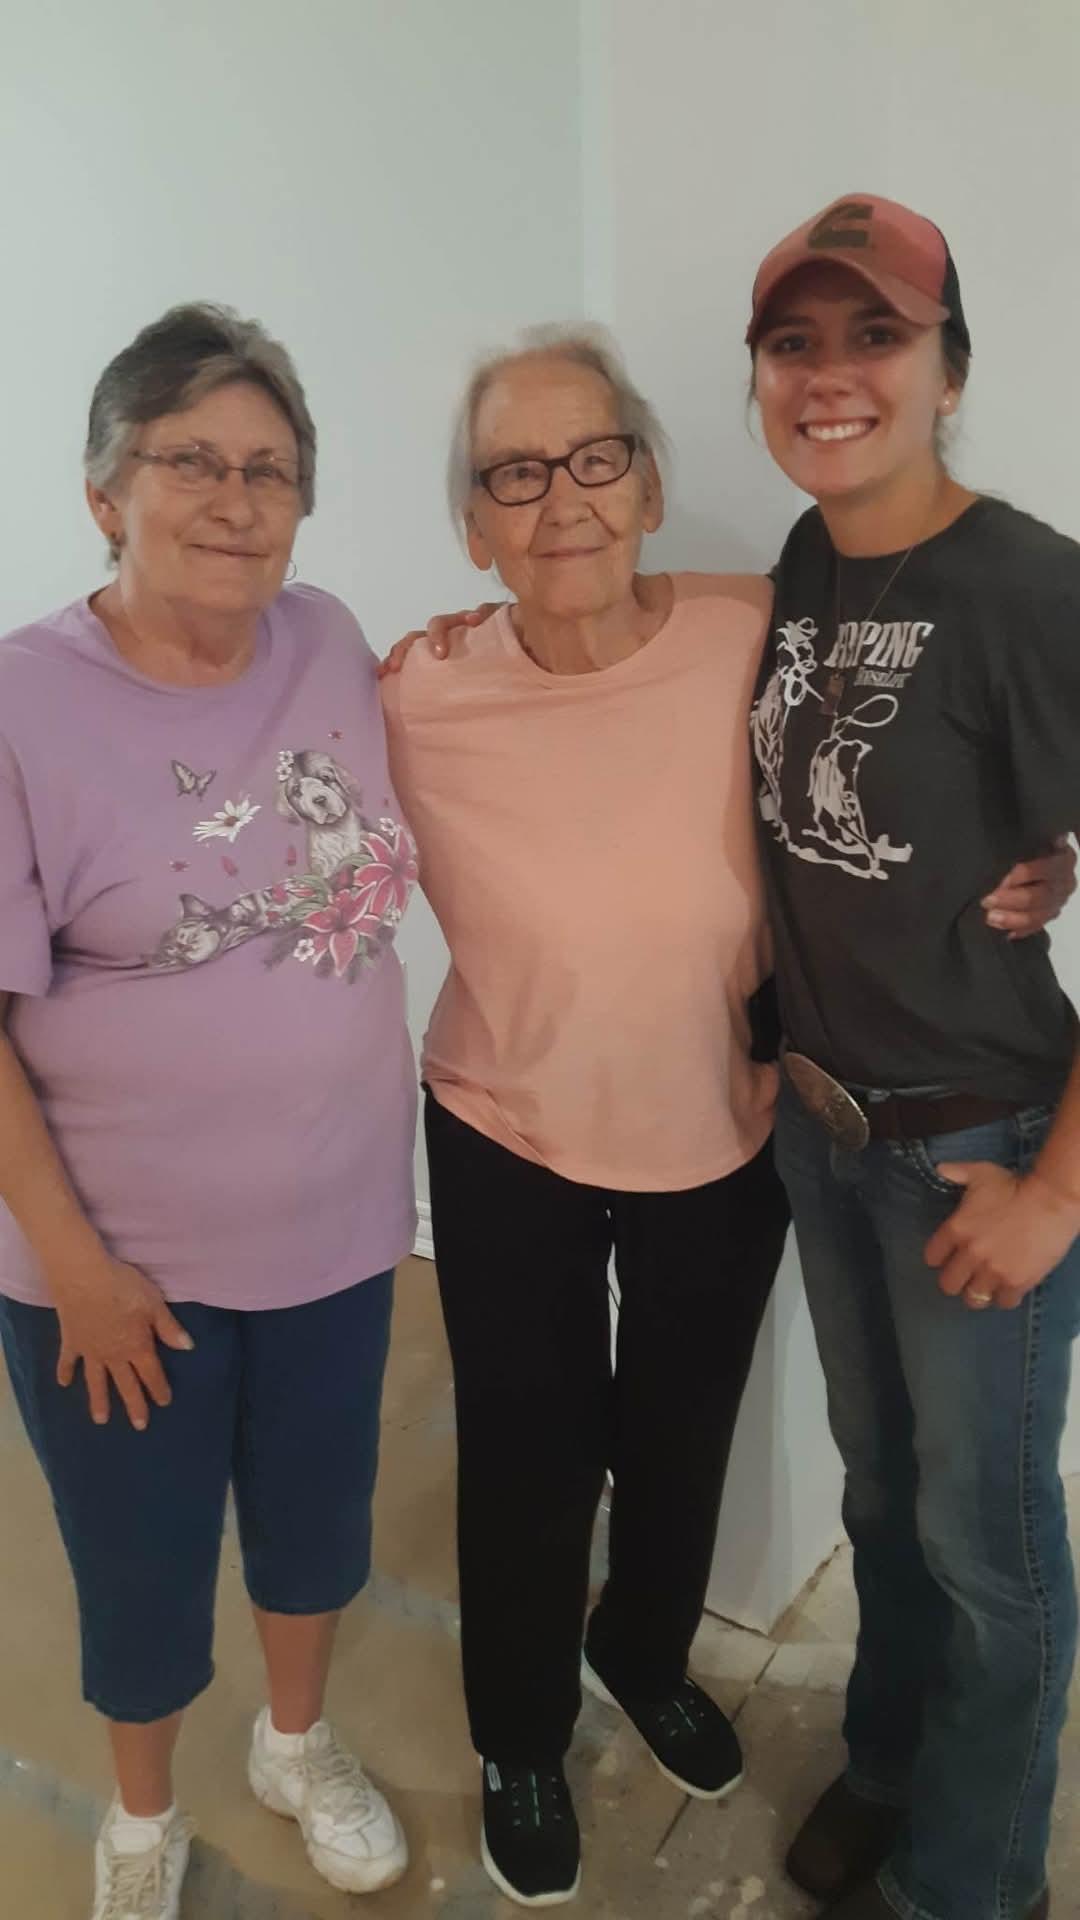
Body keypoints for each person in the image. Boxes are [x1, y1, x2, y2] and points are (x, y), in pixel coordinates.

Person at [378, 325, 1070, 1911]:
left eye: (595, 458)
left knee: (681, 1430)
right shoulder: (414, 691)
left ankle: (641, 1649)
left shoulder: (753, 630)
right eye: (514, 474)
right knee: (531, 1449)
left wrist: (1045, 850)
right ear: (474, 526)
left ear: (647, 485)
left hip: (725, 1112)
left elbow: (912, 756)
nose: (562, 500)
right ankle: (520, 1736)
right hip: (503, 1124)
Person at [0, 304, 418, 1919]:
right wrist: (75, 1269)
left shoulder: (328, 638)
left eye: (271, 469)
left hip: (340, 1224)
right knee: (141, 1565)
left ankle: (296, 1747)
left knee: (315, 1531)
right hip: (119, 1269)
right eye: (193, 461)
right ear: (105, 491)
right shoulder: (24, 704)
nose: (237, 501)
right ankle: (141, 1816)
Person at [744, 194, 1080, 1920]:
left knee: (989, 1553)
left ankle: (970, 1881)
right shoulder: (808, 563)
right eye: (793, 342)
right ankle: (889, 1762)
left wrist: (1056, 1194)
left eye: (876, 335)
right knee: (882, 1500)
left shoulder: (1028, 584)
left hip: (977, 1151)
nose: (831, 375)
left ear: (949, 370)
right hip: (824, 1133)